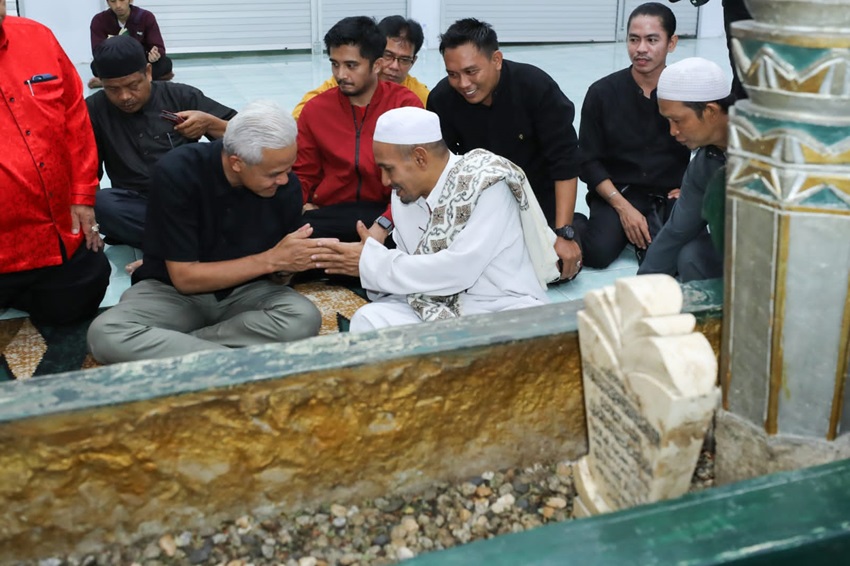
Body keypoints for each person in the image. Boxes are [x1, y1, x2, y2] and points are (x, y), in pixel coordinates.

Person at [87, 101, 326, 363]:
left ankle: (179, 348)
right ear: (237, 163)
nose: (284, 179)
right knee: (106, 334)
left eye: (288, 169)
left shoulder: (284, 186)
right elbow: (185, 279)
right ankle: (241, 364)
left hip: (247, 292)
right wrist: (273, 259)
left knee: (303, 319)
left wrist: (289, 266)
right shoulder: (179, 172)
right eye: (275, 173)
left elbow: (279, 277)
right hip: (173, 293)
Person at [311, 107, 558, 332]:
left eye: (389, 169)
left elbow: (458, 271)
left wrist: (373, 264)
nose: (386, 181)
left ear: (420, 157)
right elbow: (412, 274)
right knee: (370, 319)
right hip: (433, 302)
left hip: (501, 304)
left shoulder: (486, 184)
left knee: (521, 335)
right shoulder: (403, 195)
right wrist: (369, 262)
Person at [426, 18, 582, 282]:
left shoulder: (536, 87)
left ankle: (575, 225)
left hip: (537, 201)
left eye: (471, 71)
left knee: (554, 270)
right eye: (453, 74)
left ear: (496, 60)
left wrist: (563, 233)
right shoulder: (442, 99)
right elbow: (441, 171)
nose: (463, 83)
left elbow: (565, 163)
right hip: (479, 207)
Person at [0, 1, 110, 325]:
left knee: (84, 291)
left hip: (54, 232)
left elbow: (75, 116)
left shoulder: (38, 37)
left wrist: (82, 195)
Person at [87, 34, 236, 249]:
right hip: (139, 205)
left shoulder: (181, 96)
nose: (124, 97)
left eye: (132, 85)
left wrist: (211, 124)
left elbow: (248, 135)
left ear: (148, 73)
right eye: (113, 89)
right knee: (103, 205)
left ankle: (169, 243)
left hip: (192, 198)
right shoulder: (93, 110)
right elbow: (86, 171)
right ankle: (196, 240)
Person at [575, 2, 691, 269]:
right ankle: (580, 222)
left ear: (671, 43)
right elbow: (587, 161)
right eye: (634, 39)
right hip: (618, 189)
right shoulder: (602, 93)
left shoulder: (687, 91)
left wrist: (690, 186)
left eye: (652, 40)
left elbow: (712, 145)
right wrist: (622, 207)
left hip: (670, 192)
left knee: (673, 258)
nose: (641, 49)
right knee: (598, 253)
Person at [294, 16, 423, 244]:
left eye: (351, 65)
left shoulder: (405, 105)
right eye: (335, 64)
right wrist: (294, 205)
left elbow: (417, 179)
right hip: (330, 212)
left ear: (376, 65)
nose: (340, 74)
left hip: (391, 214)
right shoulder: (315, 110)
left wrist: (384, 224)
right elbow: (304, 174)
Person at [638, 57, 731, 281]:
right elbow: (677, 231)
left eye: (677, 121)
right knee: (692, 255)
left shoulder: (764, 152)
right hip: (739, 250)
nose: (672, 131)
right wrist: (638, 289)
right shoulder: (706, 164)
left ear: (710, 112)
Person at [292, 15, 429, 119]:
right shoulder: (344, 83)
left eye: (404, 60)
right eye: (388, 55)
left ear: (414, 61)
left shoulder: (420, 97)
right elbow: (299, 118)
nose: (394, 66)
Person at [89, 0, 173, 89]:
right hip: (114, 62)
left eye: (122, 0)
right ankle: (138, 80)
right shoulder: (99, 20)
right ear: (108, 2)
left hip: (141, 62)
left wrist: (155, 54)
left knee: (165, 63)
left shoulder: (146, 17)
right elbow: (97, 51)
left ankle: (111, 82)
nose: (118, 5)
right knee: (95, 66)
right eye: (113, 1)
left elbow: (159, 47)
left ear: (130, 0)